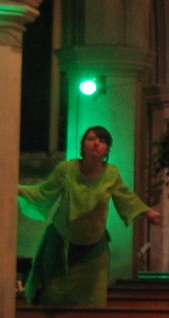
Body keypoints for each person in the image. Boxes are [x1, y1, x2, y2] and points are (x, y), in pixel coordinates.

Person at [18, 125, 161, 306]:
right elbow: (43, 192)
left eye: (102, 141)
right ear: (83, 144)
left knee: (92, 302)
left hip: (94, 250)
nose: (96, 144)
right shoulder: (67, 169)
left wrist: (146, 212)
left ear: (107, 149)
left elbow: (126, 197)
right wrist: (17, 189)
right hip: (62, 245)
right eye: (91, 139)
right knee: (53, 299)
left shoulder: (111, 174)